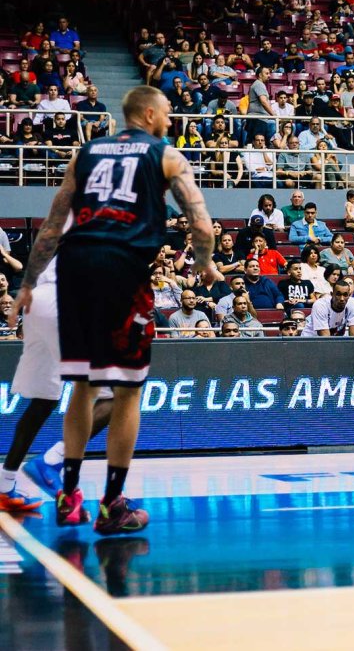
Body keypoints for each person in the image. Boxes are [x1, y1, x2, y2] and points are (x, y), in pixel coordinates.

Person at [10, 85, 214, 534]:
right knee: (126, 391)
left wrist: (26, 284)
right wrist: (204, 262)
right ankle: (112, 503)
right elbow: (200, 223)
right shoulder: (166, 154)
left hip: (75, 268)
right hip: (123, 268)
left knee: (81, 387)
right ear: (147, 113)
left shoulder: (86, 152)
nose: (170, 118)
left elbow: (50, 224)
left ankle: (68, 497)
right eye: (166, 112)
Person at [0, 255, 114, 511]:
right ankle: (53, 459)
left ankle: (4, 486)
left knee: (43, 401)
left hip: (37, 300)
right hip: (63, 305)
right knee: (116, 395)